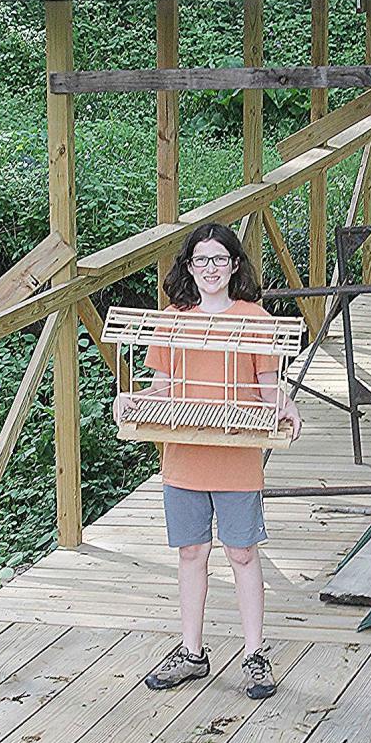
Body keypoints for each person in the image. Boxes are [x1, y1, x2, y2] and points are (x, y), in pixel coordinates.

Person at [114, 222, 301, 701]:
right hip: (184, 455)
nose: (211, 268)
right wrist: (131, 402)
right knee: (191, 553)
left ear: (234, 264)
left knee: (241, 552)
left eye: (220, 259)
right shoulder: (172, 319)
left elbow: (266, 386)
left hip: (236, 455)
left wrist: (284, 404)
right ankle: (192, 652)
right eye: (202, 260)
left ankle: (255, 654)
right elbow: (161, 387)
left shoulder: (255, 318)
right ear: (189, 267)